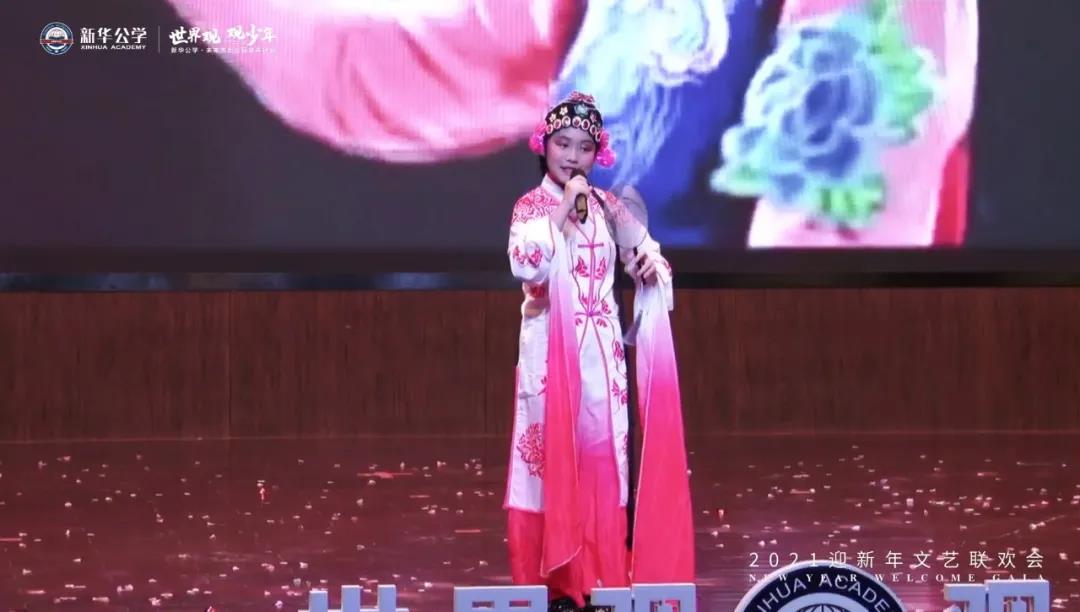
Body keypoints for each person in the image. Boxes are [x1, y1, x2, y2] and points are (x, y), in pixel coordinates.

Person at [503, 91, 694, 612]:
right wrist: (565, 207)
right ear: (544, 145)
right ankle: (553, 582)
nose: (572, 157)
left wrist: (650, 269)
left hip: (603, 359)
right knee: (548, 466)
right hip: (550, 359)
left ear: (598, 153)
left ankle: (602, 575)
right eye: (563, 144)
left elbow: (649, 253)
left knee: (604, 461)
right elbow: (527, 263)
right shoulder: (531, 207)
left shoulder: (611, 207)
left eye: (584, 148)